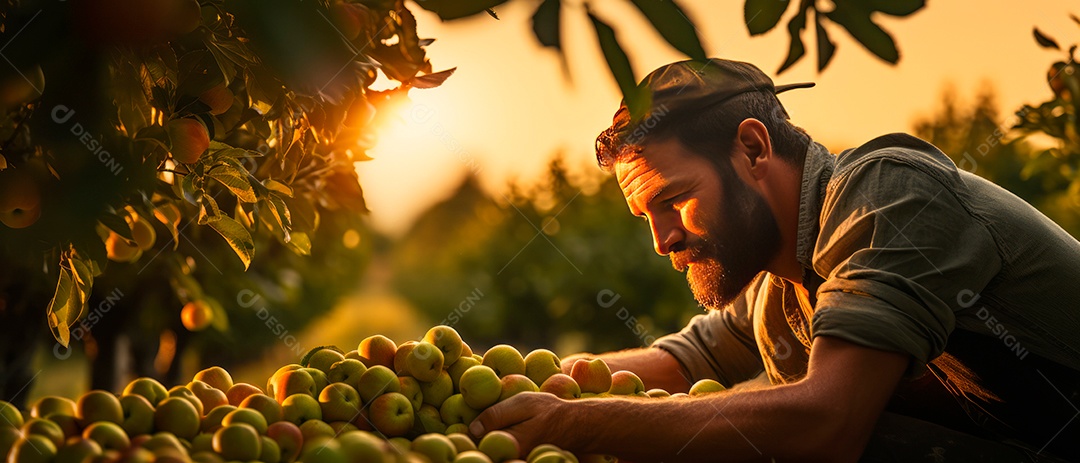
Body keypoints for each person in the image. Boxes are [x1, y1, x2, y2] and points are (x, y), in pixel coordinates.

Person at [469, 59, 1080, 462]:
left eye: (673, 200)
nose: (662, 241)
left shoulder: (891, 194)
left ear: (753, 149)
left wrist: (579, 426)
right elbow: (686, 360)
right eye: (645, 218)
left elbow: (826, 424)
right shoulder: (778, 285)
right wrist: (507, 394)